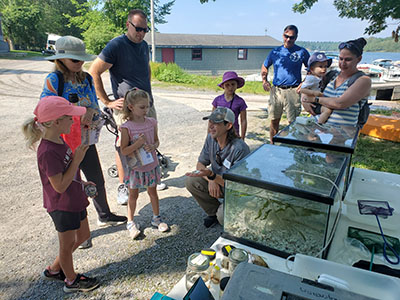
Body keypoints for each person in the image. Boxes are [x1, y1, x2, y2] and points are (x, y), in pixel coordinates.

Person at [40, 36, 127, 249]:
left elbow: (94, 105)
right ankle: (80, 232)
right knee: (72, 184)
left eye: (81, 60)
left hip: (86, 139)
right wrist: (77, 111)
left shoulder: (86, 79)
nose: (80, 64)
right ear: (62, 59)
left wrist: (90, 111)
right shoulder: (54, 80)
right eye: (75, 60)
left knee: (95, 177)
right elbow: (46, 108)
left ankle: (104, 214)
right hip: (63, 143)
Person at [22, 96, 99, 293]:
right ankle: (71, 281)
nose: (73, 121)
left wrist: (82, 183)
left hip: (74, 199)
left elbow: (68, 174)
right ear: (56, 122)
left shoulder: (59, 140)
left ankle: (55, 269)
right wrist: (77, 159)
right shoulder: (47, 151)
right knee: (67, 245)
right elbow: (59, 186)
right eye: (69, 118)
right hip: (62, 205)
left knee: (83, 236)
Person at [89, 9, 166, 206]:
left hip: (146, 103)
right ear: (128, 25)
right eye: (138, 29)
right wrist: (107, 101)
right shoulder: (116, 45)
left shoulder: (144, 46)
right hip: (126, 108)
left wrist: (147, 95)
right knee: (123, 146)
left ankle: (149, 178)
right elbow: (94, 71)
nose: (141, 33)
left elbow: (146, 69)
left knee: (148, 138)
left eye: (145, 29)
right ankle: (124, 184)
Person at [185, 107, 250, 228]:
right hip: (219, 182)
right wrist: (211, 180)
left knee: (223, 217)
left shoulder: (239, 149)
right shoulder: (211, 138)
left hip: (237, 191)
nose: (211, 126)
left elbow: (236, 185)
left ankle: (229, 213)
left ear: (228, 126)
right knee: (191, 181)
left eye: (216, 123)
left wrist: (212, 176)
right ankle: (213, 212)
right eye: (210, 121)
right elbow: (200, 164)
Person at [119, 88, 169, 239]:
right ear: (131, 107)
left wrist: (153, 146)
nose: (146, 110)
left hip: (151, 165)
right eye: (142, 107)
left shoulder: (152, 122)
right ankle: (131, 222)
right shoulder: (126, 127)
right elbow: (124, 150)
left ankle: (156, 218)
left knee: (152, 192)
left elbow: (156, 141)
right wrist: (138, 144)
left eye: (147, 106)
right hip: (135, 168)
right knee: (133, 195)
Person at [302, 38, 371, 127]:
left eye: (348, 59)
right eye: (341, 59)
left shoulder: (363, 80)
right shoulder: (332, 76)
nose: (343, 63)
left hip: (343, 135)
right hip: (322, 131)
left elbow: (340, 103)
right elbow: (308, 85)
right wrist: (304, 100)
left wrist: (314, 99)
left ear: (359, 59)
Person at [261, 25, 310, 143]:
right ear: (283, 35)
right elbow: (265, 66)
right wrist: (264, 80)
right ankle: (272, 145)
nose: (288, 39)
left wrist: (305, 83)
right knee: (274, 119)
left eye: (291, 37)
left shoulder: (301, 52)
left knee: (293, 122)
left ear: (296, 38)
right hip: (276, 91)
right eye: (286, 36)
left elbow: (312, 68)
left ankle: (292, 147)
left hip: (293, 91)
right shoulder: (275, 52)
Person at [212, 71, 248, 140]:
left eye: (233, 84)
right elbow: (212, 119)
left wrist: (242, 138)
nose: (230, 87)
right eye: (227, 85)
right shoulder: (217, 101)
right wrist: (210, 135)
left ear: (237, 85)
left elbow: (243, 121)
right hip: (219, 134)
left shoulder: (240, 102)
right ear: (223, 86)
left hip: (234, 134)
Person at [300, 52, 332, 124]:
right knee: (327, 110)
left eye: (325, 66)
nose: (324, 69)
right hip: (312, 103)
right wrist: (313, 93)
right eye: (320, 67)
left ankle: (317, 120)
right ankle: (318, 123)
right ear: (311, 69)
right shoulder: (311, 78)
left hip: (316, 101)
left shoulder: (320, 77)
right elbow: (302, 89)